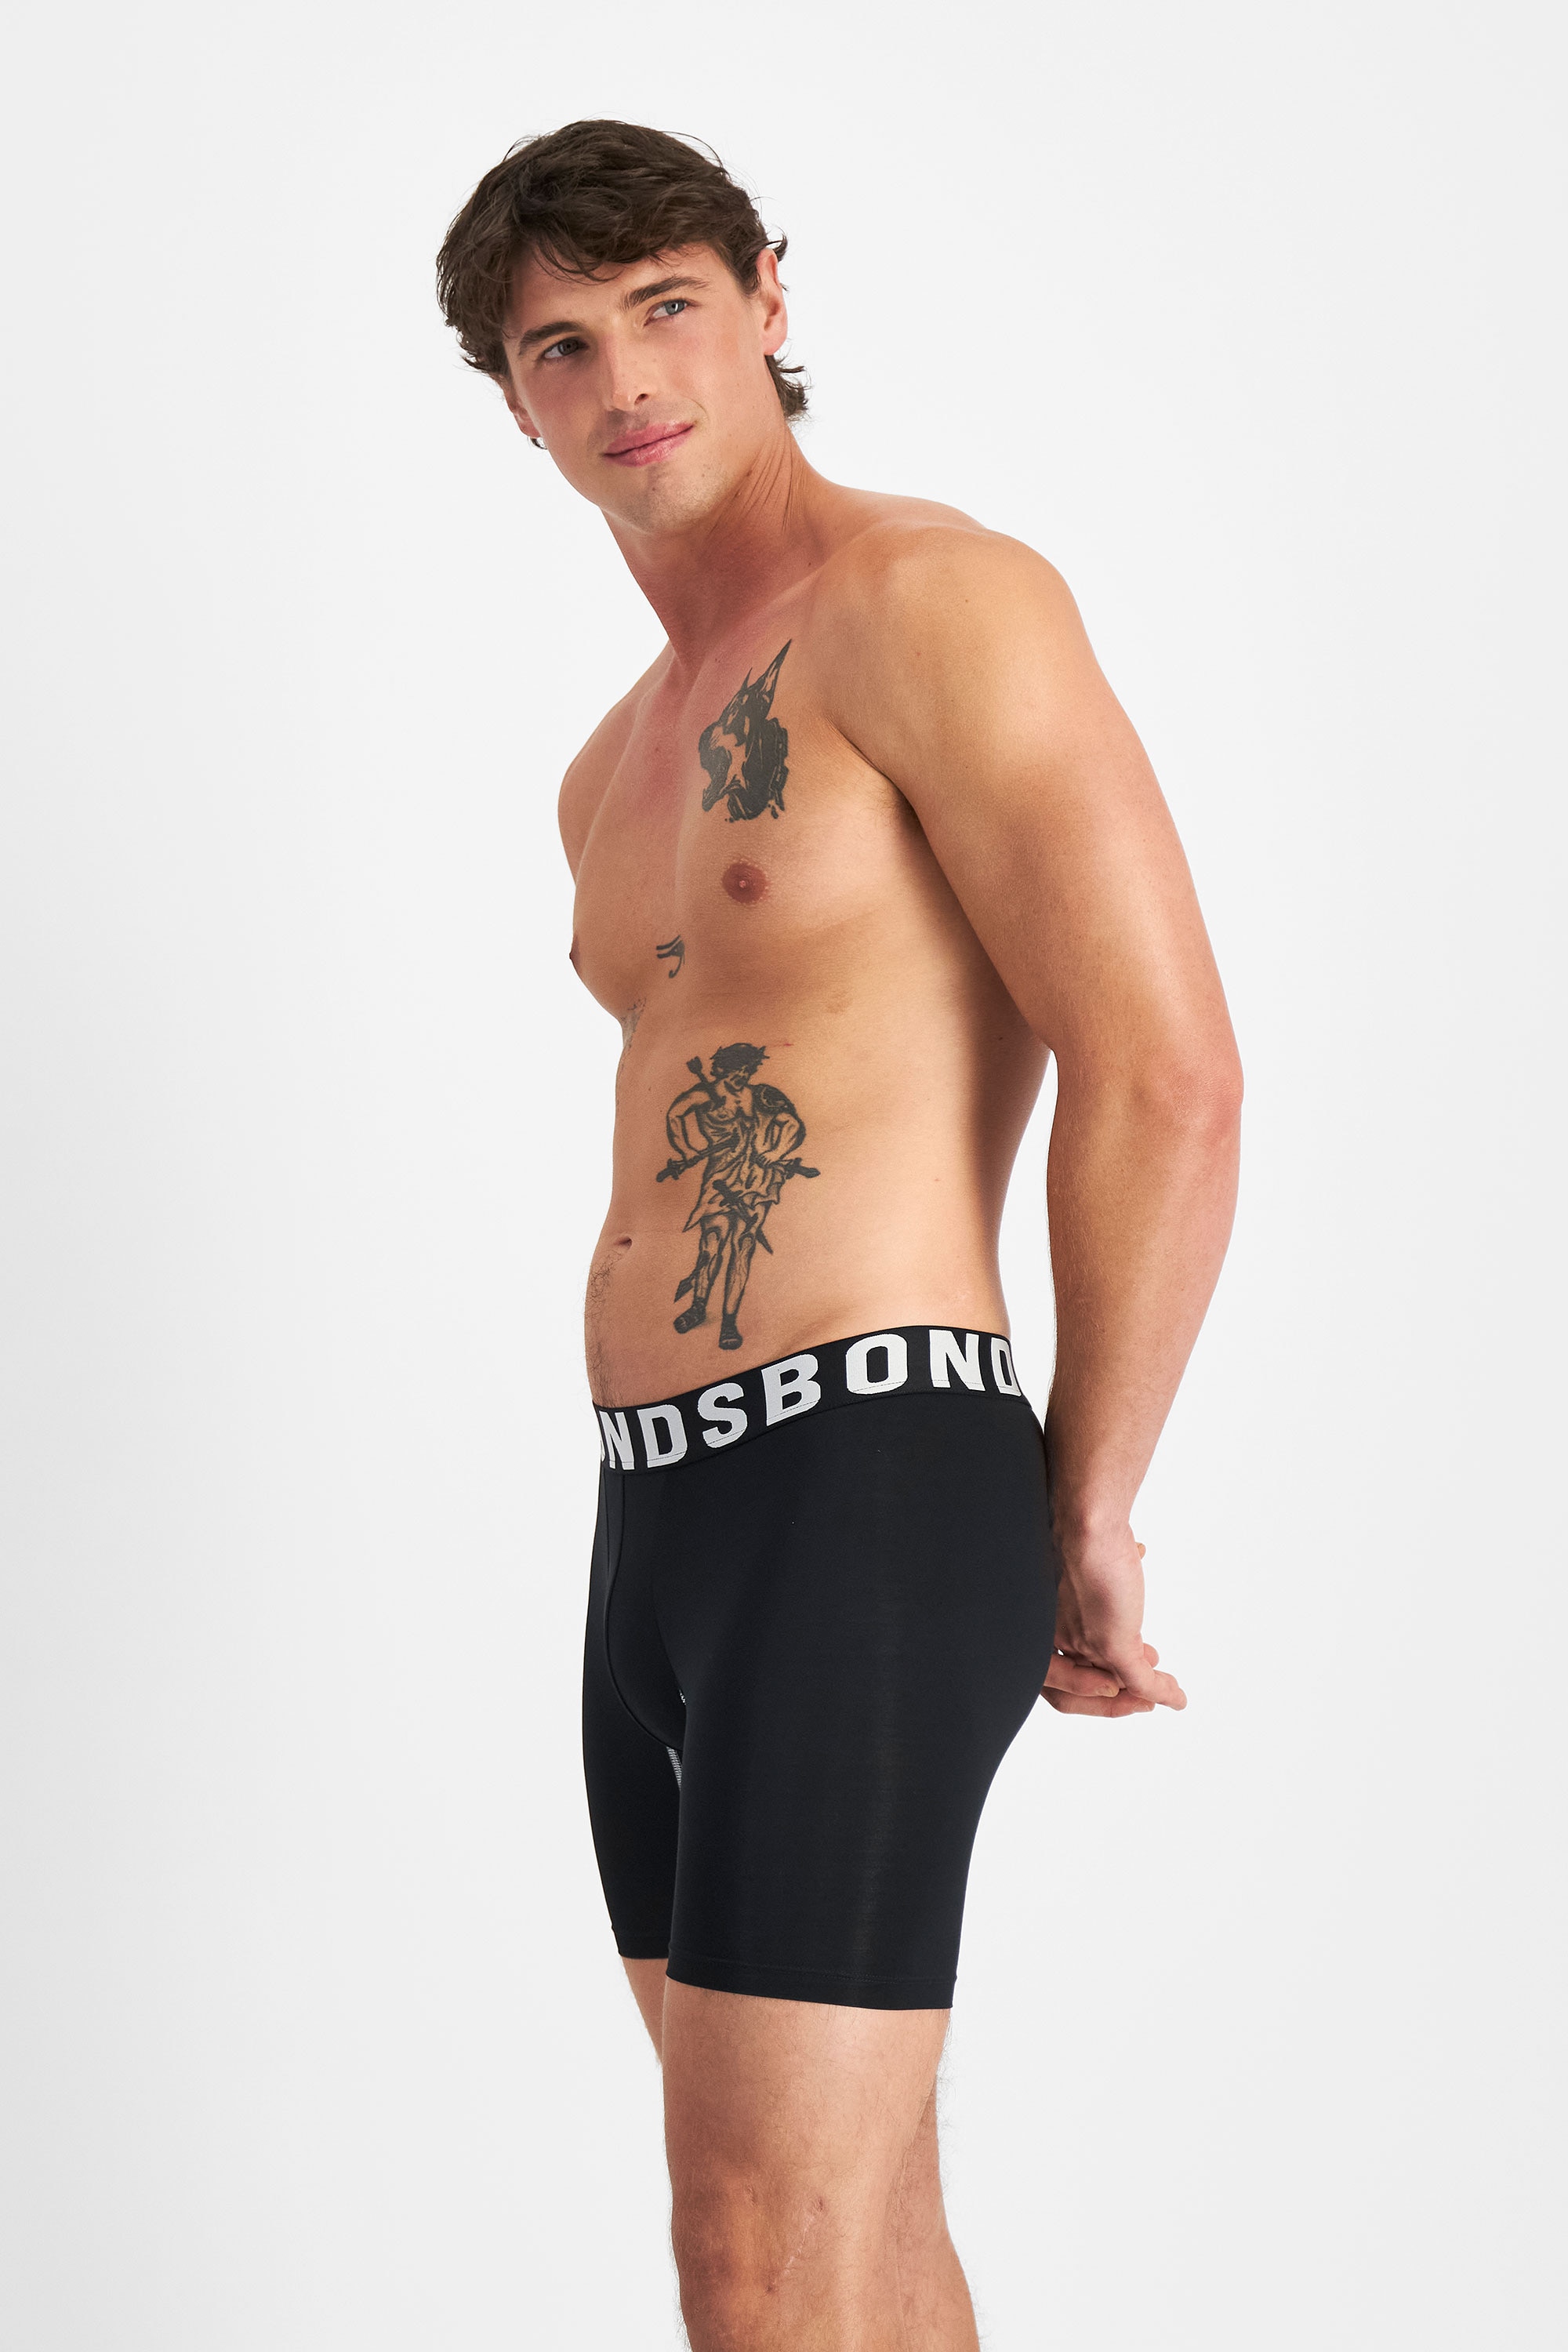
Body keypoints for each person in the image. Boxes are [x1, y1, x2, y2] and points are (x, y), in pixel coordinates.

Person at [437, 119, 1242, 2352]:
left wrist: (1088, 1500)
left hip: (872, 1477)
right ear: (515, 404)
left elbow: (1164, 1066)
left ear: (770, 302)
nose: (625, 379)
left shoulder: (930, 602)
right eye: (560, 347)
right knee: (844, 2229)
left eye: (667, 308)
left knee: (754, 2249)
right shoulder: (608, 768)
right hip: (655, 1523)